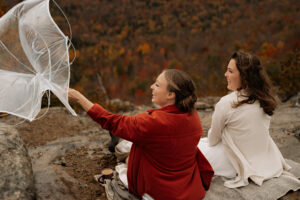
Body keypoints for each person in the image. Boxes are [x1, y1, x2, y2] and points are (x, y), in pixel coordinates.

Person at [68, 69, 214, 200]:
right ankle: (120, 143)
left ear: (170, 94)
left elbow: (112, 121)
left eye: (157, 85)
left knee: (127, 147)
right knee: (134, 145)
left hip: (160, 191)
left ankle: (118, 142)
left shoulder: (153, 123)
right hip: (188, 188)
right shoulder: (192, 115)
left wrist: (79, 98)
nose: (151, 87)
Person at [198, 50, 291, 188]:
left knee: (197, 149)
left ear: (244, 76)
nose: (226, 74)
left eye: (230, 71)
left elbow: (213, 140)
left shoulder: (226, 103)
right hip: (261, 158)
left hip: (233, 162)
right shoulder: (265, 99)